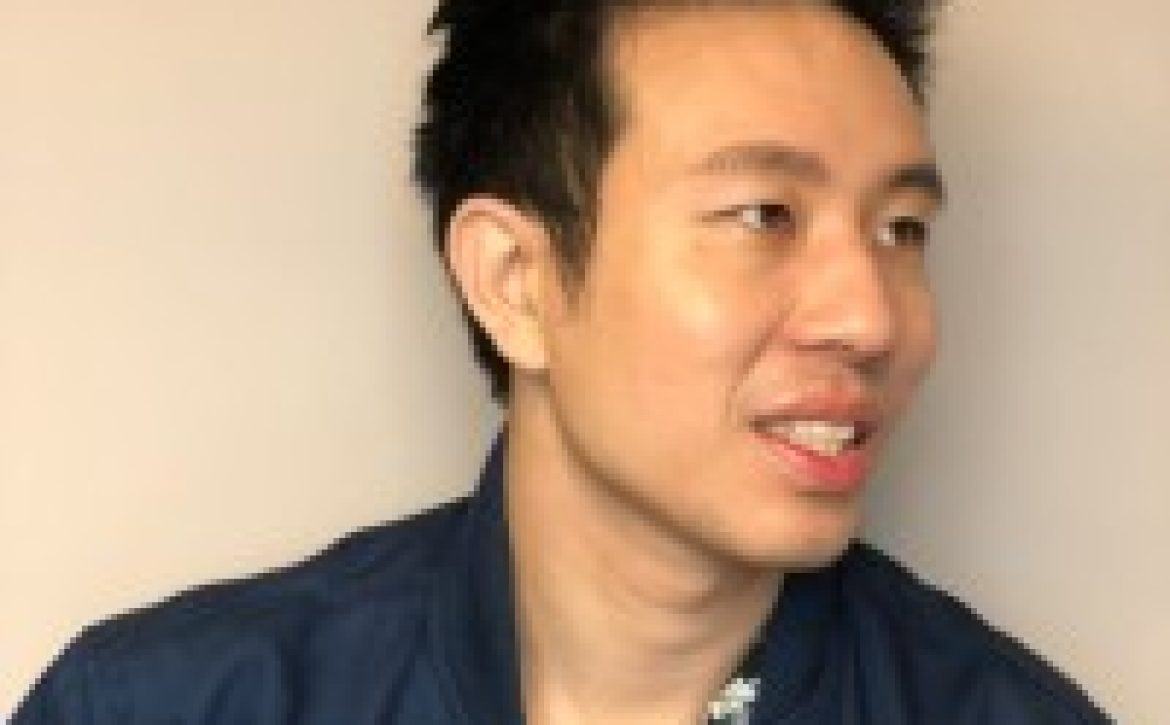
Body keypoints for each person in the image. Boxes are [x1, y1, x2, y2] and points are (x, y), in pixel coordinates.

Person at [13, 1, 1110, 723]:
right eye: (764, 213)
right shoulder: (170, 704)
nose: (869, 317)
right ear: (515, 281)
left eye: (902, 229)